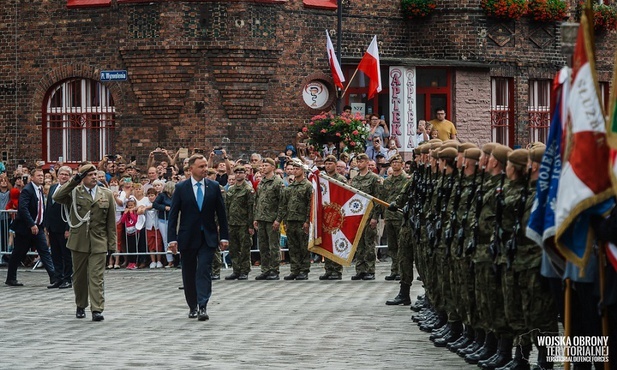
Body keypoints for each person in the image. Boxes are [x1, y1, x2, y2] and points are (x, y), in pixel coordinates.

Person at [167, 154, 229, 322]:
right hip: (188, 237)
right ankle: (192, 305)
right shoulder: (181, 188)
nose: (204, 169)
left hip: (207, 237)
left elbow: (221, 214)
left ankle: (203, 305)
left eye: (205, 166)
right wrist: (172, 239)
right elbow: (173, 216)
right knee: (188, 272)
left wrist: (224, 237)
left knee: (204, 269)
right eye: (201, 167)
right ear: (191, 169)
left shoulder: (214, 186)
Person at [53, 163, 116, 322]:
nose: (94, 177)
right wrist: (74, 180)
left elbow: (111, 222)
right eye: (89, 175)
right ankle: (81, 305)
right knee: (79, 277)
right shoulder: (74, 193)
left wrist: (112, 245)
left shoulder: (106, 194)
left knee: (96, 276)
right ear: (82, 178)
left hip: (98, 240)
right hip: (79, 241)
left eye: (95, 174)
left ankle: (97, 309)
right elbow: (57, 196)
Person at [5, 168, 55, 287]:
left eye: (42, 175)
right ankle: (10, 278)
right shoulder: (27, 190)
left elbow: (41, 209)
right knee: (18, 253)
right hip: (25, 228)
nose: (41, 177)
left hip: (38, 228)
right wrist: (31, 224)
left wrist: (42, 224)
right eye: (38, 175)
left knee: (44, 251)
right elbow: (23, 209)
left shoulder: (40, 189)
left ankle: (54, 277)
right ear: (32, 177)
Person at [349, 153, 382, 280]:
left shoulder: (374, 178)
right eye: (358, 161)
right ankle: (360, 269)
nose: (359, 163)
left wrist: (375, 217)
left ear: (368, 163)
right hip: (358, 216)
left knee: (369, 244)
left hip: (369, 216)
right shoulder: (355, 179)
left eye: (362, 161)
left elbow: (377, 199)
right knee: (359, 244)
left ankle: (370, 270)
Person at [280, 160, 313, 280]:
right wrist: (284, 220)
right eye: (293, 168)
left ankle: (304, 270)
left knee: (303, 246)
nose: (294, 170)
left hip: (301, 220)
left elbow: (310, 204)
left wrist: (307, 221)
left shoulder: (307, 185)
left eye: (297, 168)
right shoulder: (290, 187)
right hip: (290, 220)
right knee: (293, 246)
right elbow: (284, 205)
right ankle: (294, 269)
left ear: (303, 170)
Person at [253, 158, 284, 280]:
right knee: (263, 246)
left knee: (273, 246)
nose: (263, 167)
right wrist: (256, 217)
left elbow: (282, 202)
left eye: (266, 165)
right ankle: (265, 269)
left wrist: (278, 219)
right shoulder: (262, 182)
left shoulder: (277, 182)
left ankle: (274, 270)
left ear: (273, 167)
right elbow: (257, 201)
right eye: (262, 165)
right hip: (261, 218)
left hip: (272, 219)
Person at [319, 155, 348, 280]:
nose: (328, 166)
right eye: (326, 164)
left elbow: (345, 196)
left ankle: (337, 270)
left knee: (336, 242)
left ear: (335, 165)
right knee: (327, 243)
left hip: (337, 214)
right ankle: (329, 269)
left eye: (330, 164)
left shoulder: (340, 179)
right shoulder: (322, 179)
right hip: (326, 214)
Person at [224, 165, 255, 280]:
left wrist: (250, 225)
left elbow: (251, 208)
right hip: (232, 223)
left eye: (241, 172)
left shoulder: (248, 189)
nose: (238, 175)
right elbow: (227, 207)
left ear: (245, 174)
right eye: (236, 173)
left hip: (244, 224)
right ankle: (236, 270)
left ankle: (244, 270)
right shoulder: (231, 189)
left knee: (244, 248)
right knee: (233, 248)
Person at [45, 165, 73, 289]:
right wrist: (46, 225)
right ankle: (58, 278)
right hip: (52, 226)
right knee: (55, 254)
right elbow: (48, 207)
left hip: (64, 226)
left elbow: (72, 210)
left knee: (66, 254)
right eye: (62, 174)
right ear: (58, 175)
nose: (64, 176)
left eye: (67, 174)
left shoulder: (71, 190)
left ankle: (67, 278)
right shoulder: (52, 187)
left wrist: (68, 228)